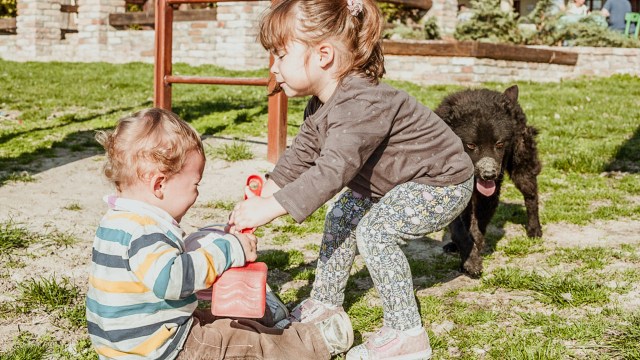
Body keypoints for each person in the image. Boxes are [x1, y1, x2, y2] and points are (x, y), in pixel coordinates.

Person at [228, 0, 474, 358]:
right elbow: (300, 158)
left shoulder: (360, 102)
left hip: (441, 182)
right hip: (397, 182)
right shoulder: (322, 103)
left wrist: (271, 209)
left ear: (323, 54)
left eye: (280, 55)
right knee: (342, 216)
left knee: (375, 232)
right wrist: (262, 195)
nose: (274, 67)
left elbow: (331, 172)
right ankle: (325, 303)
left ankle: (407, 337)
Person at [86, 108, 353, 360]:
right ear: (159, 184)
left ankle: (267, 320)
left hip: (131, 345)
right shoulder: (145, 229)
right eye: (194, 184)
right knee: (242, 344)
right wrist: (230, 250)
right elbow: (173, 279)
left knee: (221, 323)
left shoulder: (118, 220)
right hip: (162, 349)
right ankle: (315, 340)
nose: (196, 194)